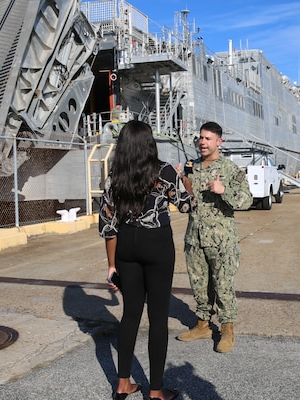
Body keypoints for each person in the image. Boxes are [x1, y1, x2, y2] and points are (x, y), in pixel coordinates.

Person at [99, 120, 194, 400]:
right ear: (150, 143)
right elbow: (187, 204)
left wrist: (111, 265)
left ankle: (123, 383)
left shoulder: (114, 176)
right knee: (157, 317)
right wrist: (185, 180)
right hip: (157, 246)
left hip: (127, 245)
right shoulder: (163, 171)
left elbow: (108, 225)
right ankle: (155, 391)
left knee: (130, 315)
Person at [177, 121, 253, 353]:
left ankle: (227, 329)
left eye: (208, 138)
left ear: (219, 142)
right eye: (201, 137)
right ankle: (203, 325)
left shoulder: (230, 169)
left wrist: (224, 191)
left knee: (223, 285)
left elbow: (246, 201)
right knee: (199, 285)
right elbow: (192, 198)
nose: (202, 142)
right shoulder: (193, 167)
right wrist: (183, 179)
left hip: (221, 241)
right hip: (195, 238)